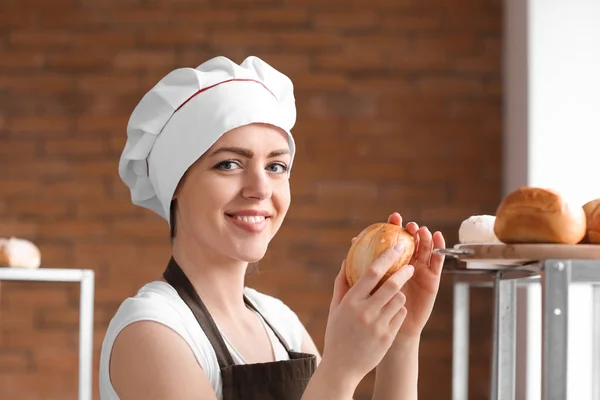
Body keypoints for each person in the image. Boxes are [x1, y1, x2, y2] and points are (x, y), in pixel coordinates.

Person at [99, 55, 447, 400]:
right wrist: (341, 369)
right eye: (229, 163)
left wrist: (402, 339)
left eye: (276, 166)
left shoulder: (280, 323)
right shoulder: (151, 331)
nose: (261, 188)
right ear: (175, 182)